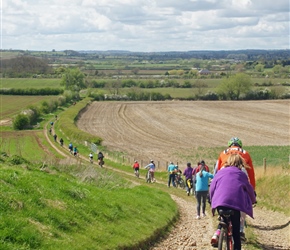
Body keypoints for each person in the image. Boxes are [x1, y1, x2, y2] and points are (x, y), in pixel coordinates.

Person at [213, 137, 256, 241]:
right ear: (240, 146)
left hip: (223, 174)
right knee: (243, 201)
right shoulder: (246, 153)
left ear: (230, 145)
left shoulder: (223, 153)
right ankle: (241, 229)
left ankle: (218, 231)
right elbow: (251, 174)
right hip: (240, 173)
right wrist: (253, 192)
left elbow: (216, 172)